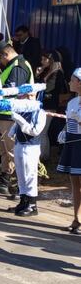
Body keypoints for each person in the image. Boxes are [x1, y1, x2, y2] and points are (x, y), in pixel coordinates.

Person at [0, 45, 33, 195]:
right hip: (5, 114)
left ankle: (13, 181)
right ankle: (8, 181)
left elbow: (12, 92)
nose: (0, 62)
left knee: (10, 150)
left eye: (0, 58)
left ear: (5, 54)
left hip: (12, 114)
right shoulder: (15, 65)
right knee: (3, 149)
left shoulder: (17, 67)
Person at [10, 92, 46, 217]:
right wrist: (13, 130)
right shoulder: (22, 109)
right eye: (25, 96)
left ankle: (32, 204)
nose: (28, 98)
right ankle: (23, 200)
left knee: (30, 175)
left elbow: (35, 131)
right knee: (21, 174)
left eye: (31, 96)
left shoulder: (39, 112)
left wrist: (20, 121)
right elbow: (16, 125)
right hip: (19, 144)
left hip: (31, 146)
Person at [57, 68, 81, 234]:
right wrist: (65, 131)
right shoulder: (72, 102)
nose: (69, 82)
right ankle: (76, 218)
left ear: (79, 82)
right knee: (75, 182)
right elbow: (69, 121)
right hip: (73, 143)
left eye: (72, 79)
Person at [36, 50, 67, 159]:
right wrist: (39, 75)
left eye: (44, 59)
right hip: (43, 104)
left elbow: (48, 88)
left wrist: (42, 77)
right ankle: (43, 156)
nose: (42, 61)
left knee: (42, 131)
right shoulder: (47, 71)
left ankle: (43, 156)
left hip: (50, 106)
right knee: (42, 131)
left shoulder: (56, 73)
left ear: (51, 60)